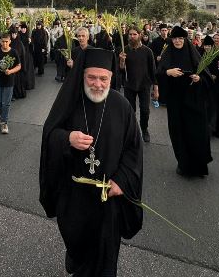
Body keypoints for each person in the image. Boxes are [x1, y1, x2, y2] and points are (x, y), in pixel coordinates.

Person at [39, 47, 144, 277]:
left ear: (111, 78)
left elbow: (133, 149)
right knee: (78, 246)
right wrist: (67, 138)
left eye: (103, 78)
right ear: (82, 76)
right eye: (92, 77)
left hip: (108, 199)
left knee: (105, 258)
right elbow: (49, 134)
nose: (98, 84)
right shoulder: (70, 101)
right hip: (74, 196)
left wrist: (122, 181)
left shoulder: (121, 106)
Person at [157, 25, 212, 177]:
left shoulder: (192, 52)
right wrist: (168, 72)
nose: (177, 41)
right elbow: (158, 72)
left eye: (180, 38)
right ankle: (183, 164)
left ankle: (199, 166)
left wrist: (198, 77)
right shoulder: (168, 52)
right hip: (176, 101)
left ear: (185, 39)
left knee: (197, 132)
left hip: (194, 100)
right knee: (178, 132)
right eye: (175, 38)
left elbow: (206, 75)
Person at [118, 26, 157, 142]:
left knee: (145, 110)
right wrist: (121, 61)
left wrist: (156, 88)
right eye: (130, 34)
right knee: (130, 110)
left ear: (140, 35)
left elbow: (153, 71)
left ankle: (144, 129)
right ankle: (132, 131)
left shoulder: (147, 51)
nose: (132, 36)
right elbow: (120, 70)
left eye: (135, 34)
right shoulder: (124, 50)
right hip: (129, 84)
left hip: (144, 85)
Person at [149, 25, 169, 104]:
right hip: (158, 65)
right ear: (160, 31)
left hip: (167, 65)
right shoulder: (155, 41)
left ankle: (165, 99)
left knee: (166, 82)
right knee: (158, 80)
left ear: (168, 31)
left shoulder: (170, 41)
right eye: (162, 30)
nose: (164, 32)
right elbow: (151, 52)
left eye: (165, 30)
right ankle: (157, 96)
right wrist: (156, 56)